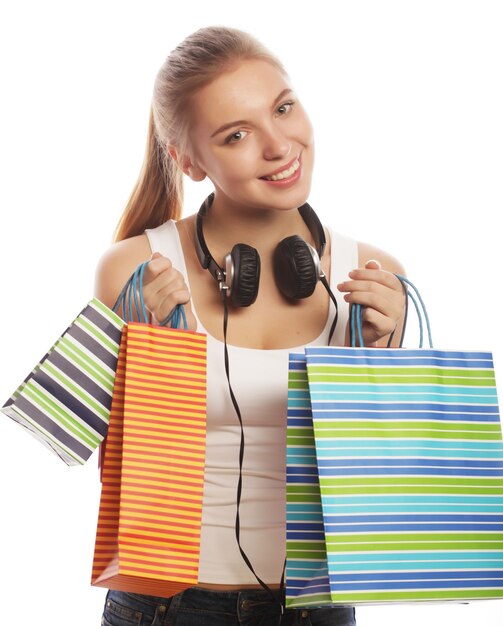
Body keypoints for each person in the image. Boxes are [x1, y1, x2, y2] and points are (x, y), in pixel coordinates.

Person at [95, 25, 405, 626]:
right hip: (166, 606)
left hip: (315, 607)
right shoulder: (134, 270)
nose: (279, 145)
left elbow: (379, 484)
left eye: (283, 108)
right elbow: (111, 470)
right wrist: (143, 349)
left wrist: (382, 356)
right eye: (237, 134)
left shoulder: (374, 276)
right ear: (189, 161)